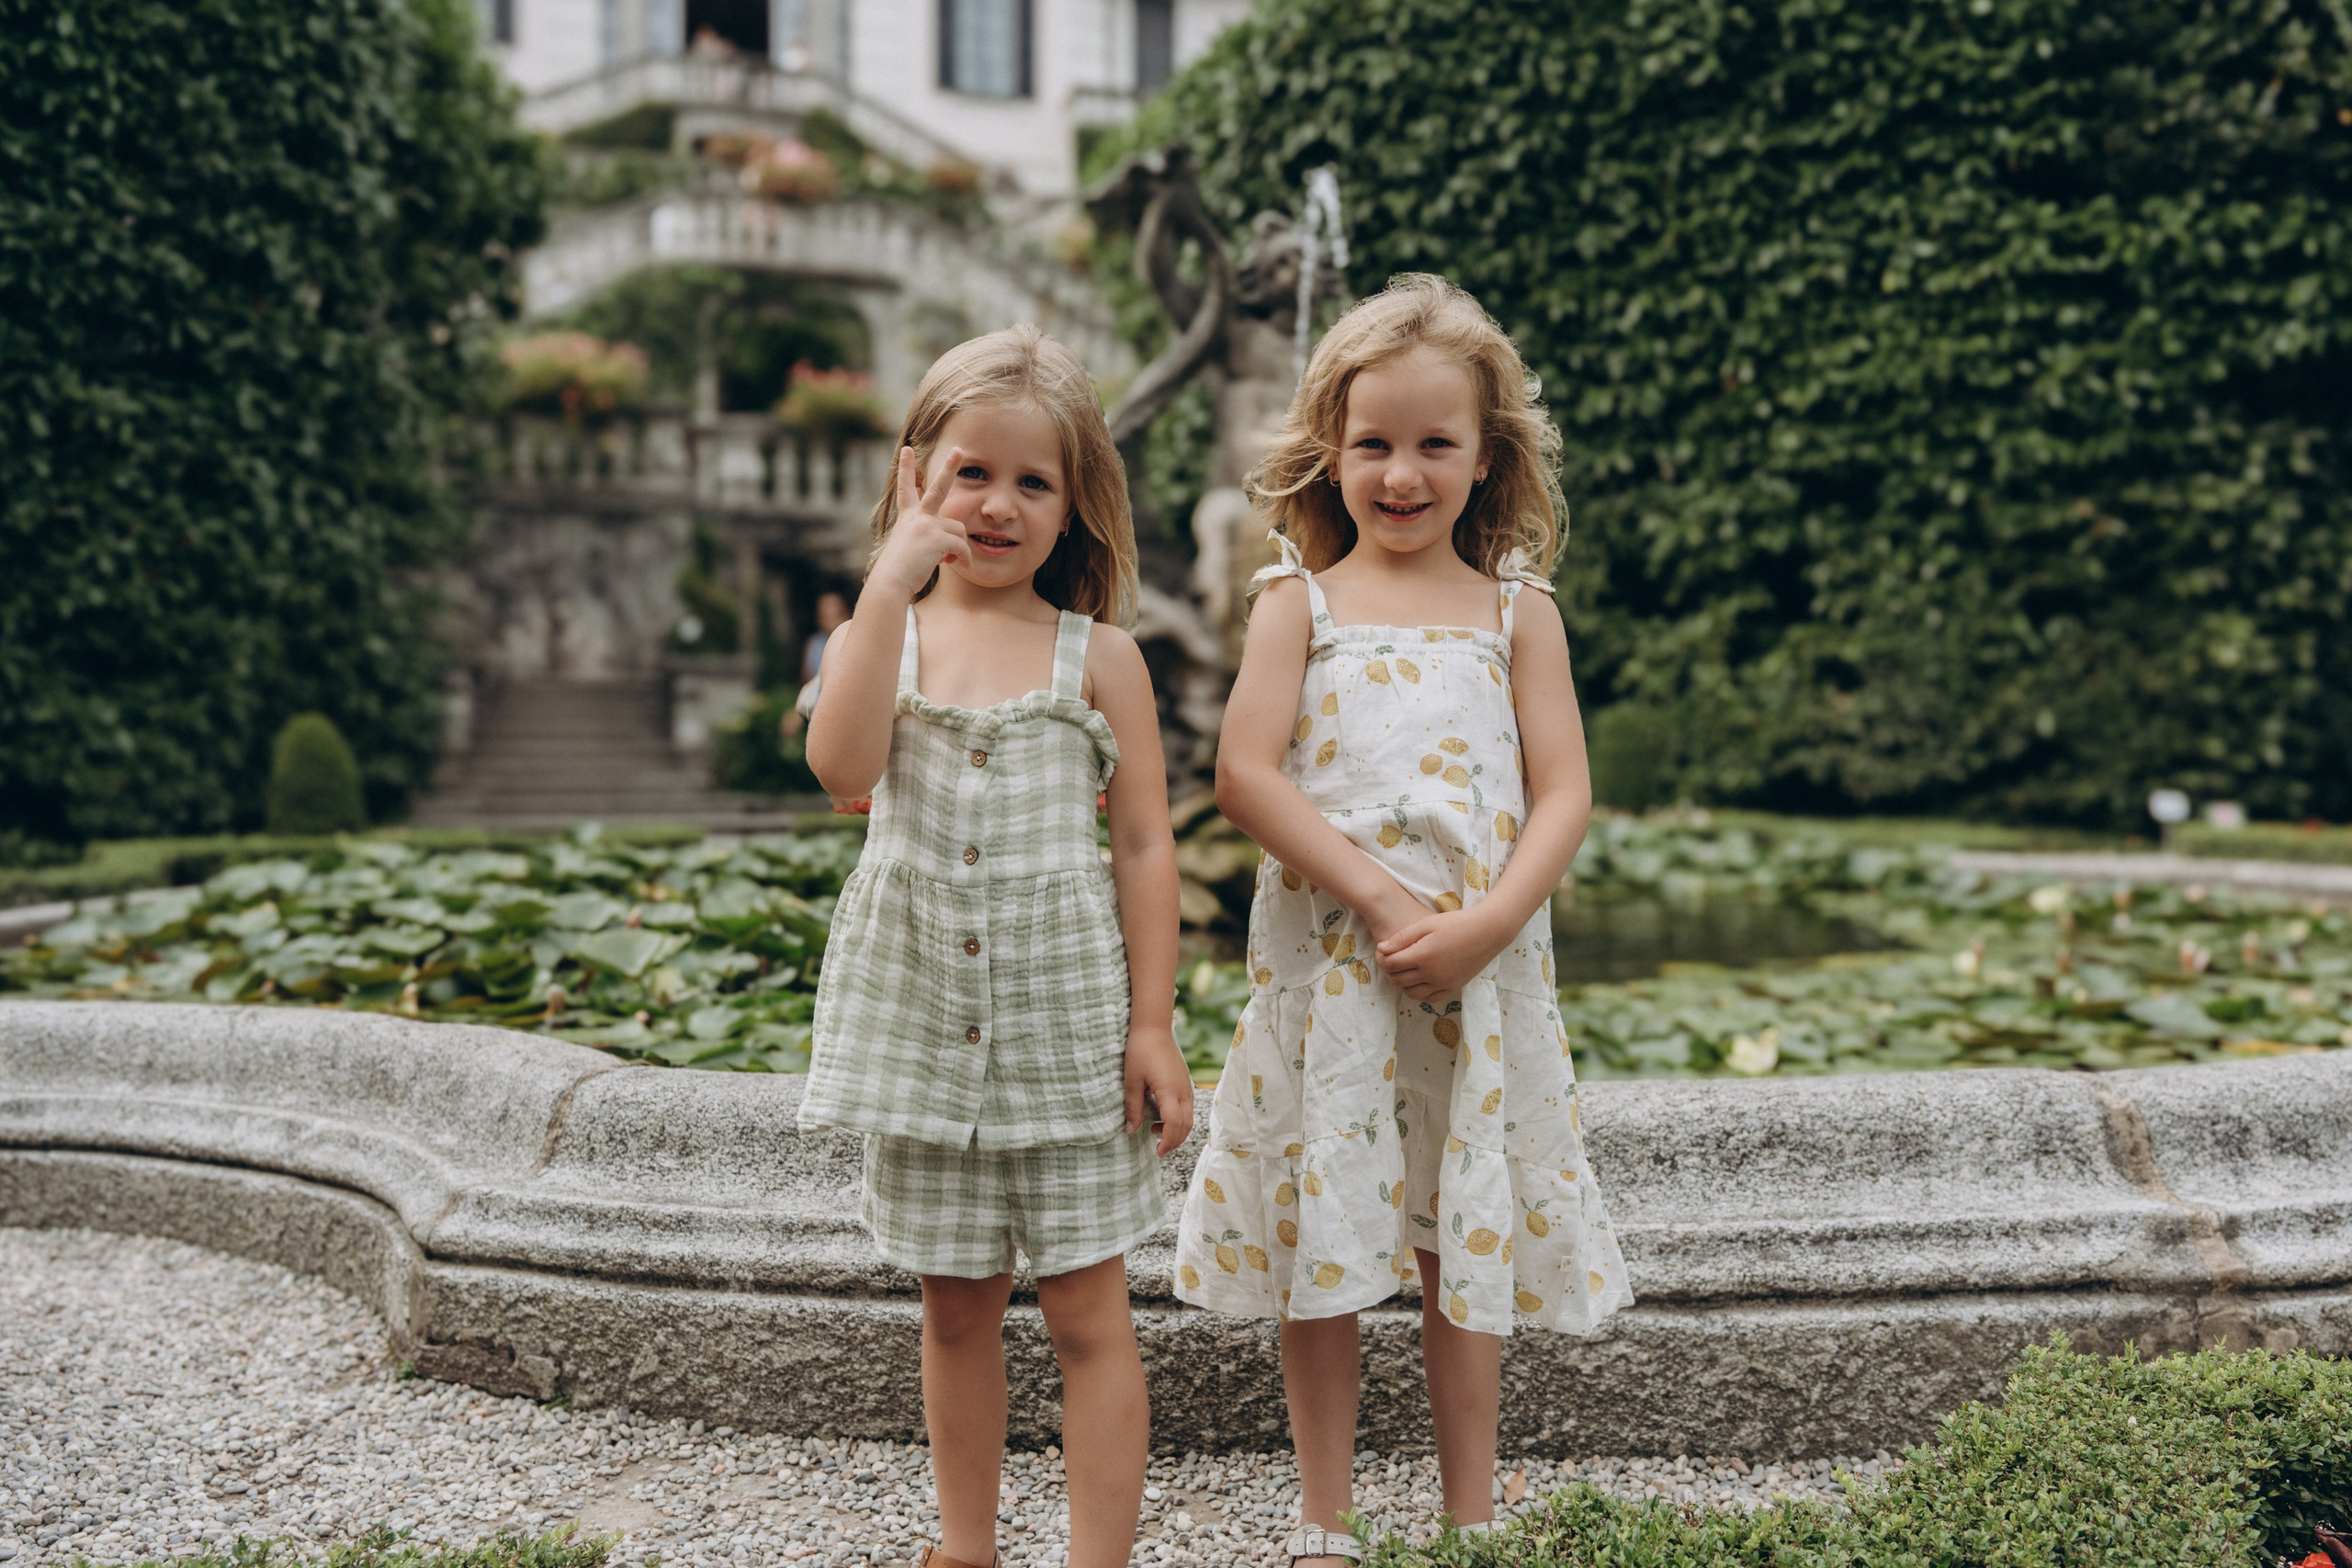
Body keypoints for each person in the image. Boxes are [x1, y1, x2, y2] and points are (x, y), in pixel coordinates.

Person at [1174, 275, 1634, 1566]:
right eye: (1373, 442)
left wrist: (1489, 919)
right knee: (1325, 1226)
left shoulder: (1514, 612)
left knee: (1458, 1230)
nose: (1401, 471)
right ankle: (1328, 1515)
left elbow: (1566, 787)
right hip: (1335, 976)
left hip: (1475, 978)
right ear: (1331, 446)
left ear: (1488, 456)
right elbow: (1246, 772)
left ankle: (1470, 1512)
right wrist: (1379, 895)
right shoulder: (1296, 604)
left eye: (1436, 442)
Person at [801, 324, 1194, 1568]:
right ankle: (964, 1544)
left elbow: (1143, 848)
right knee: (957, 1309)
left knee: (1090, 1311)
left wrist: (1153, 1025)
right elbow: (840, 768)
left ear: (1076, 505)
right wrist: (882, 586)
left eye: (1036, 481)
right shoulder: (890, 641)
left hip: (1065, 1037)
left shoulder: (1103, 660)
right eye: (973, 472)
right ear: (918, 471)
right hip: (925, 1034)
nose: (999, 504)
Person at [779, 590, 850, 742]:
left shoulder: (850, 642)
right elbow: (809, 681)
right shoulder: (815, 645)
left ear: (845, 614)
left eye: (834, 614)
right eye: (824, 615)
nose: (829, 620)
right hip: (819, 714)